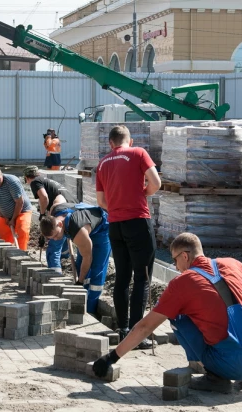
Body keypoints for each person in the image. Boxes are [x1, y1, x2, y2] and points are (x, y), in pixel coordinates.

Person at [92, 233, 242, 393]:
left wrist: (112, 357)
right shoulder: (230, 263)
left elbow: (146, 326)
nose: (175, 266)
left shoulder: (181, 284)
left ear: (185, 256)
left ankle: (216, 378)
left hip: (230, 366)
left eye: (175, 260)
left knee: (177, 316)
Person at [95, 125, 162, 349]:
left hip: (115, 225)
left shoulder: (102, 163)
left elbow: (101, 202)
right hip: (138, 222)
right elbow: (156, 183)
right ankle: (137, 334)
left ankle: (123, 328)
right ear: (129, 141)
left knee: (123, 277)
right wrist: (143, 193)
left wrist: (116, 208)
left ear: (110, 143)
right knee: (142, 278)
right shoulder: (139, 153)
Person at [39, 203, 111, 313]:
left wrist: (80, 282)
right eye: (51, 238)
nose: (56, 239)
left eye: (56, 235)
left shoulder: (77, 231)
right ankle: (81, 301)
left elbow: (88, 257)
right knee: (80, 266)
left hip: (102, 228)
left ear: (59, 224)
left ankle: (90, 309)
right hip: (86, 227)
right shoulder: (56, 212)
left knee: (96, 269)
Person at [22, 165, 77, 272]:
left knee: (53, 248)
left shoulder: (35, 182)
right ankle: (64, 262)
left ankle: (54, 276)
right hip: (74, 210)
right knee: (63, 241)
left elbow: (44, 197)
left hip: (62, 210)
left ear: (27, 177)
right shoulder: (46, 180)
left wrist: (42, 215)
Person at [0, 166, 33, 251]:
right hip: (5, 214)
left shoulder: (12, 182)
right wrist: (3, 215)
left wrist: (13, 219)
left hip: (22, 210)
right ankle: (6, 253)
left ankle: (21, 253)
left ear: (1, 174)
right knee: (2, 235)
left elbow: (19, 202)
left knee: (22, 230)